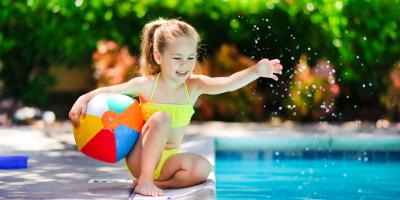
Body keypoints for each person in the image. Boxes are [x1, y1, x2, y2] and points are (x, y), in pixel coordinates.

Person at [69, 18, 283, 197]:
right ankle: (144, 180)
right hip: (141, 159)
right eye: (177, 58)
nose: (185, 64)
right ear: (158, 56)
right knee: (161, 119)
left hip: (170, 162)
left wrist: (255, 71)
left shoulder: (194, 86)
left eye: (191, 57)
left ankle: (161, 186)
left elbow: (226, 83)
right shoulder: (147, 84)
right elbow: (109, 91)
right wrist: (83, 99)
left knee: (203, 168)